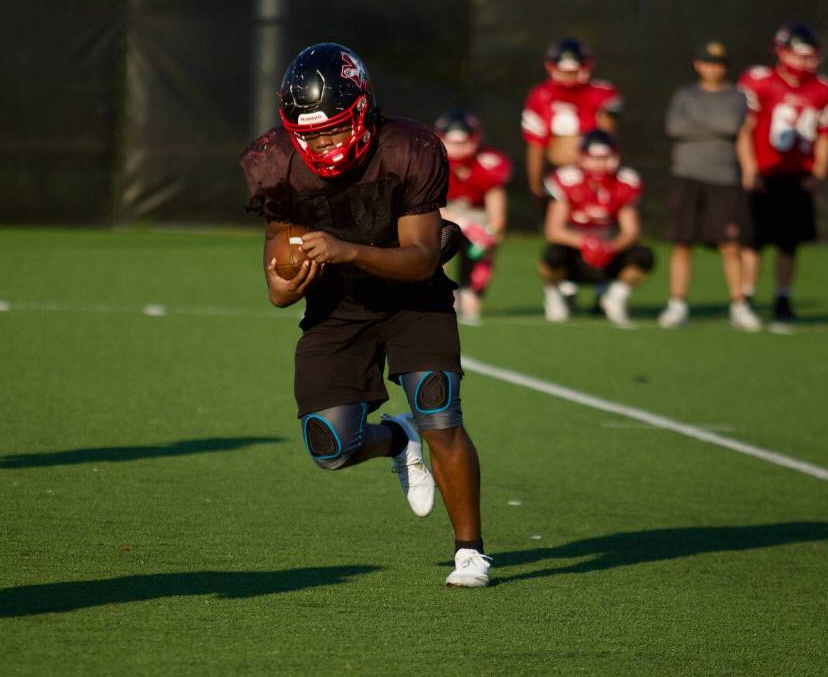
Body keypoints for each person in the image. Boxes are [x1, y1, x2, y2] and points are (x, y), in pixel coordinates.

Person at [239, 43, 490, 587]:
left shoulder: (410, 147)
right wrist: (283, 280)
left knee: (438, 408)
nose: (322, 143)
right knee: (330, 447)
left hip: (411, 299)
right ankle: (398, 440)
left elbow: (423, 259)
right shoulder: (273, 160)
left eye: (332, 129)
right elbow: (278, 283)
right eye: (310, 133)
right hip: (337, 308)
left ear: (361, 109)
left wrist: (346, 249)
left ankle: (470, 552)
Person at [737, 23, 828, 323]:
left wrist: (818, 172)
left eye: (809, 56)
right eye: (797, 55)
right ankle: (746, 295)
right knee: (753, 241)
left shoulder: (822, 89)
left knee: (789, 243)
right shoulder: (761, 82)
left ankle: (782, 297)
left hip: (797, 174)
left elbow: (825, 134)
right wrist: (749, 168)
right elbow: (745, 130)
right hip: (765, 172)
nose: (803, 63)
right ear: (781, 53)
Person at [658, 40, 762, 331]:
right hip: (687, 175)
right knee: (682, 243)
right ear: (697, 65)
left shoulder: (737, 97)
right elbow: (675, 128)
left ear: (725, 66)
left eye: (718, 63)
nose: (712, 68)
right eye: (706, 62)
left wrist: (698, 122)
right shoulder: (684, 95)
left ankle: (739, 305)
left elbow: (732, 125)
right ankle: (677, 304)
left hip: (723, 178)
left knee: (731, 245)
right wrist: (714, 125)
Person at [522, 38, 624, 309]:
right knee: (561, 234)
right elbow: (536, 145)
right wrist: (534, 184)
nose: (569, 75)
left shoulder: (601, 93)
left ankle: (603, 285)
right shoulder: (541, 95)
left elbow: (608, 138)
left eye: (573, 69)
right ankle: (564, 286)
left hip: (595, 175)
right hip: (559, 177)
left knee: (600, 230)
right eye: (563, 69)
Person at [538, 130, 654, 327]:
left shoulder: (624, 181)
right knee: (552, 255)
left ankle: (613, 297)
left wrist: (610, 247)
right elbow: (553, 230)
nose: (599, 164)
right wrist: (585, 243)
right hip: (576, 252)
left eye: (605, 158)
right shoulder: (567, 180)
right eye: (594, 158)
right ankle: (555, 295)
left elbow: (630, 231)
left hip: (607, 250)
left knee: (643, 256)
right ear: (582, 157)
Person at [434, 109, 513, 325]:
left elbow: (497, 217)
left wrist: (490, 234)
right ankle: (438, 290)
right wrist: (464, 224)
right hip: (443, 215)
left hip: (478, 217)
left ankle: (472, 291)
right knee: (432, 232)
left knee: (471, 307)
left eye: (464, 142)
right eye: (453, 142)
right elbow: (425, 205)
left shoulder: (489, 163)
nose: (459, 148)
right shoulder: (430, 160)